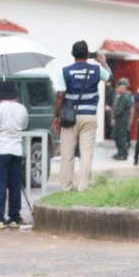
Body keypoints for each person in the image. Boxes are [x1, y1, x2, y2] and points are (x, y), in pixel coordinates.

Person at [53, 40, 111, 192]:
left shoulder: (65, 71)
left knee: (67, 153)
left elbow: (60, 96)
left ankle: (66, 186)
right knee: (86, 152)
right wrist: (103, 62)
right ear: (87, 54)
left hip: (69, 117)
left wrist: (56, 117)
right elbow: (109, 77)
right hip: (89, 117)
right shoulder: (97, 69)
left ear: (73, 54)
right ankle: (83, 186)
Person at [0, 80, 29, 228]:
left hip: (1, 151)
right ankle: (14, 217)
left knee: (1, 185)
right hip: (16, 151)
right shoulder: (22, 109)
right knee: (15, 185)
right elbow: (24, 126)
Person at [111, 78, 132, 161]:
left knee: (121, 137)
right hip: (120, 120)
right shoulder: (121, 96)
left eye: (118, 87)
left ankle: (123, 153)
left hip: (122, 120)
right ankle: (120, 152)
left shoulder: (125, 97)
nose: (117, 89)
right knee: (117, 136)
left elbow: (119, 110)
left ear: (123, 88)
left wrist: (114, 116)